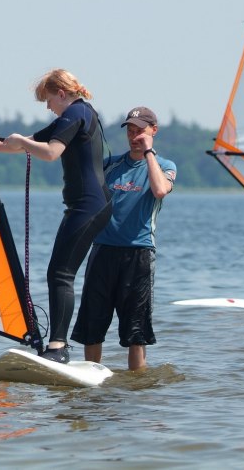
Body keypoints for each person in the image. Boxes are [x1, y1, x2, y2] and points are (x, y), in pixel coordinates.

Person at [0, 69, 112, 363]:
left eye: (48, 100)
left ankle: (58, 347)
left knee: (60, 273)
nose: (47, 107)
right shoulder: (78, 114)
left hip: (89, 205)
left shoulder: (75, 113)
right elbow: (18, 144)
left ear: (62, 94)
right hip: (89, 205)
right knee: (59, 272)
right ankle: (58, 345)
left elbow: (51, 152)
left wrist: (20, 140)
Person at [71, 106, 176, 371]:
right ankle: (90, 379)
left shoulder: (165, 166)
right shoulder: (110, 165)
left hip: (138, 254)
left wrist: (149, 152)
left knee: (135, 333)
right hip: (102, 251)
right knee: (92, 327)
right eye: (130, 131)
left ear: (153, 131)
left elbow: (160, 190)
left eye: (139, 130)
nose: (134, 136)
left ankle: (136, 386)